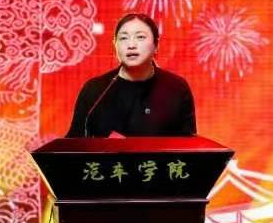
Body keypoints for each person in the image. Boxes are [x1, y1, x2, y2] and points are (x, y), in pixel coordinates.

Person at [66, 13, 196, 137]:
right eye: (123, 38)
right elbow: (73, 143)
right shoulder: (95, 90)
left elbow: (188, 146)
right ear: (115, 45)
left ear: (156, 45)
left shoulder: (176, 88)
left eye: (140, 37)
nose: (131, 45)